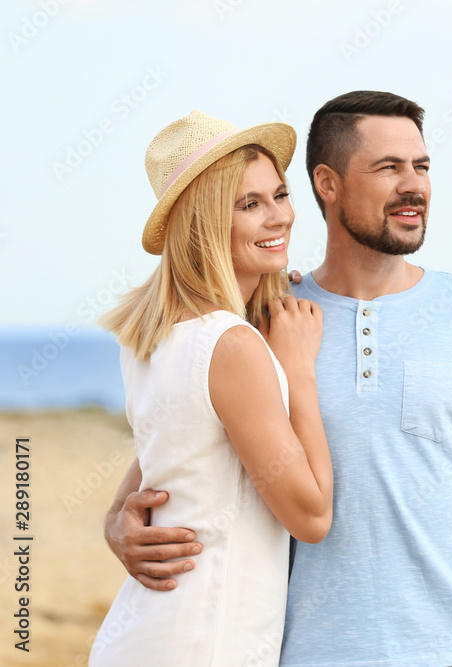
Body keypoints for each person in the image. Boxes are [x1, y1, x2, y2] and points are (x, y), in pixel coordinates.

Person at [105, 93, 452, 667]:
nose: (414, 185)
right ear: (327, 184)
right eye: (388, 168)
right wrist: (117, 523)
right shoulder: (267, 322)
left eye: (422, 166)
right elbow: (175, 453)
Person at [91, 111, 334, 666]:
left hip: (148, 635)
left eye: (279, 194)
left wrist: (113, 518)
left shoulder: (149, 338)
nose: (281, 217)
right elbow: (312, 516)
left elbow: (175, 451)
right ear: (204, 223)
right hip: (204, 644)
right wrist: (296, 368)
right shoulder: (232, 345)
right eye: (250, 205)